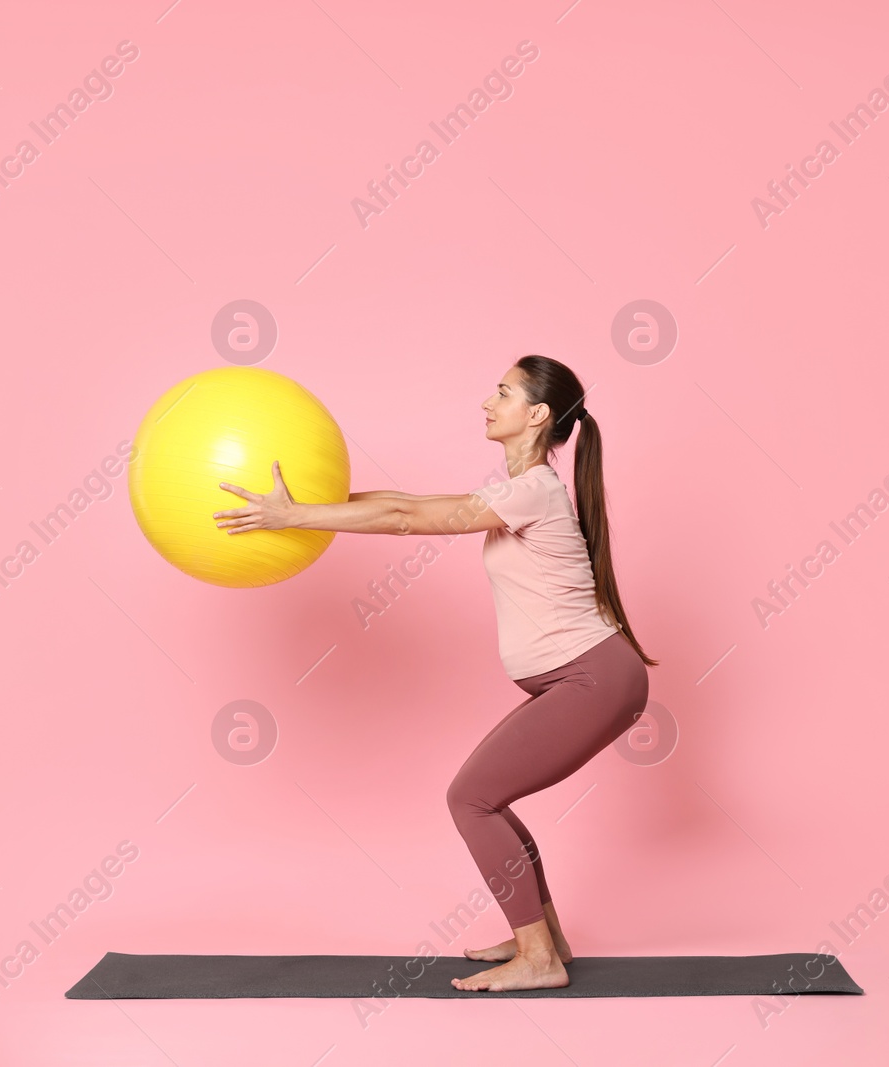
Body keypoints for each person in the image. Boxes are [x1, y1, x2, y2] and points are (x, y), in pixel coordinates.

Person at [212, 355, 658, 992]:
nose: (486, 401)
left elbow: (406, 521)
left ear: (535, 414)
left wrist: (295, 518)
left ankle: (539, 960)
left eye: (502, 393)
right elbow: (404, 502)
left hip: (593, 678)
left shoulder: (535, 491)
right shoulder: (520, 491)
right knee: (488, 799)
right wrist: (309, 503)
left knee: (470, 799)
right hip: (584, 678)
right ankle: (545, 938)